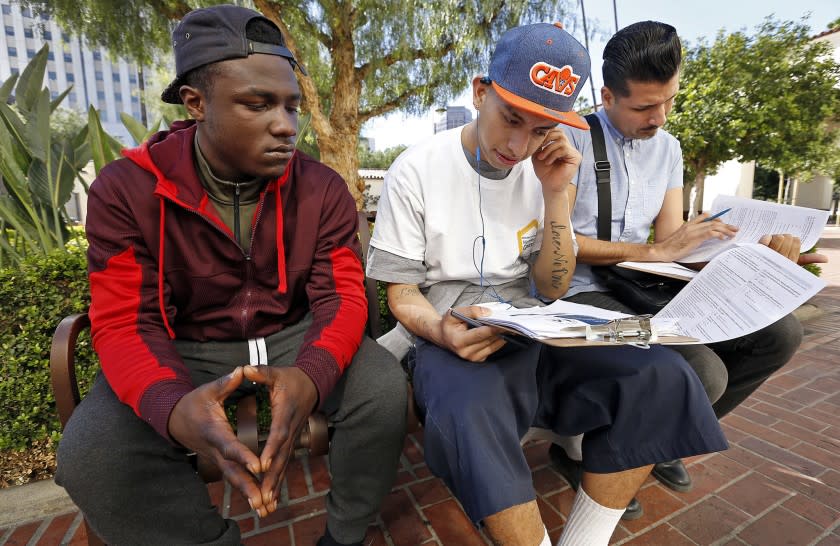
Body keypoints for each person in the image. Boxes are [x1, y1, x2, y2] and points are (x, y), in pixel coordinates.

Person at [54, 6, 407, 546]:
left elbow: (340, 300)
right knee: (93, 453)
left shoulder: (322, 189)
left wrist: (311, 376)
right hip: (186, 345)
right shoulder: (125, 190)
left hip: (292, 335)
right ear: (196, 103)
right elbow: (125, 323)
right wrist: (174, 411)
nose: (286, 125)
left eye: (291, 105)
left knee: (383, 391)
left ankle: (344, 534)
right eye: (257, 104)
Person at [367, 22, 727, 546]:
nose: (518, 145)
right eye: (510, 118)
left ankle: (585, 539)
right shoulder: (418, 168)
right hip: (449, 327)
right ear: (479, 92)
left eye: (540, 130)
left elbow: (554, 288)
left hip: (533, 322)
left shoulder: (544, 169)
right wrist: (443, 333)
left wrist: (557, 197)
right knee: (470, 408)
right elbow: (401, 295)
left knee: (663, 376)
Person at [556, 20, 826, 505]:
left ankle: (663, 439)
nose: (659, 117)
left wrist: (744, 251)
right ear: (606, 96)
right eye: (643, 106)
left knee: (782, 334)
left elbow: (670, 242)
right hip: (579, 292)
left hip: (644, 286)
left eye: (670, 101)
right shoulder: (569, 140)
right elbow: (555, 243)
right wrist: (656, 252)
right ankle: (594, 463)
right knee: (705, 372)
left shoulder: (669, 149)